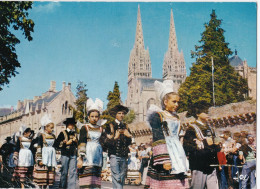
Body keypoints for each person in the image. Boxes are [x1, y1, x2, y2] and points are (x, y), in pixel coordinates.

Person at [145, 80, 189, 189]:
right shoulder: (158, 116)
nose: (177, 105)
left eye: (178, 102)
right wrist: (164, 159)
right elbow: (158, 137)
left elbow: (178, 137)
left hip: (177, 153)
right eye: (174, 102)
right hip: (165, 153)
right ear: (165, 102)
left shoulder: (176, 117)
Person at [183, 111, 220, 189]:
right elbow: (187, 146)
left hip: (212, 165)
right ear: (198, 114)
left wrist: (222, 161)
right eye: (205, 112)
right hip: (199, 165)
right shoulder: (192, 128)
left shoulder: (211, 128)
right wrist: (204, 143)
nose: (208, 114)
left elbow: (218, 145)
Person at [77, 98, 107, 188]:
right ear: (88, 117)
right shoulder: (85, 127)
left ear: (99, 117)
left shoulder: (101, 128)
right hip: (87, 155)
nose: (94, 118)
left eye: (96, 116)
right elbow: (82, 142)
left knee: (95, 179)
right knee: (87, 178)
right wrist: (81, 158)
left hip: (97, 155)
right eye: (92, 116)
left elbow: (104, 143)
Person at [104, 104, 132, 189]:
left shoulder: (126, 126)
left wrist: (128, 136)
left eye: (123, 113)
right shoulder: (109, 126)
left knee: (122, 177)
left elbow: (129, 143)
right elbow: (106, 143)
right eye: (119, 113)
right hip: (114, 155)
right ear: (115, 114)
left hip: (124, 156)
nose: (121, 115)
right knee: (117, 177)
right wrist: (115, 137)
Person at [33, 114, 57, 188]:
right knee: (42, 173)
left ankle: (47, 186)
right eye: (51, 128)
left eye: (53, 128)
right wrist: (39, 159)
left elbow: (55, 145)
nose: (52, 129)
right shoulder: (42, 135)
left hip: (51, 156)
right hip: (44, 155)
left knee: (49, 174)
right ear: (46, 128)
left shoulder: (53, 136)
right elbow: (39, 147)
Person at [54, 117, 78, 188]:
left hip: (73, 154)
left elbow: (78, 144)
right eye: (71, 124)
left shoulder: (75, 133)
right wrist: (66, 143)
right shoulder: (62, 133)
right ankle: (62, 187)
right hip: (65, 154)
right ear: (67, 124)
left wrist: (76, 141)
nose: (72, 125)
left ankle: (71, 187)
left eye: (73, 124)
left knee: (72, 172)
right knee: (64, 172)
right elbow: (56, 144)